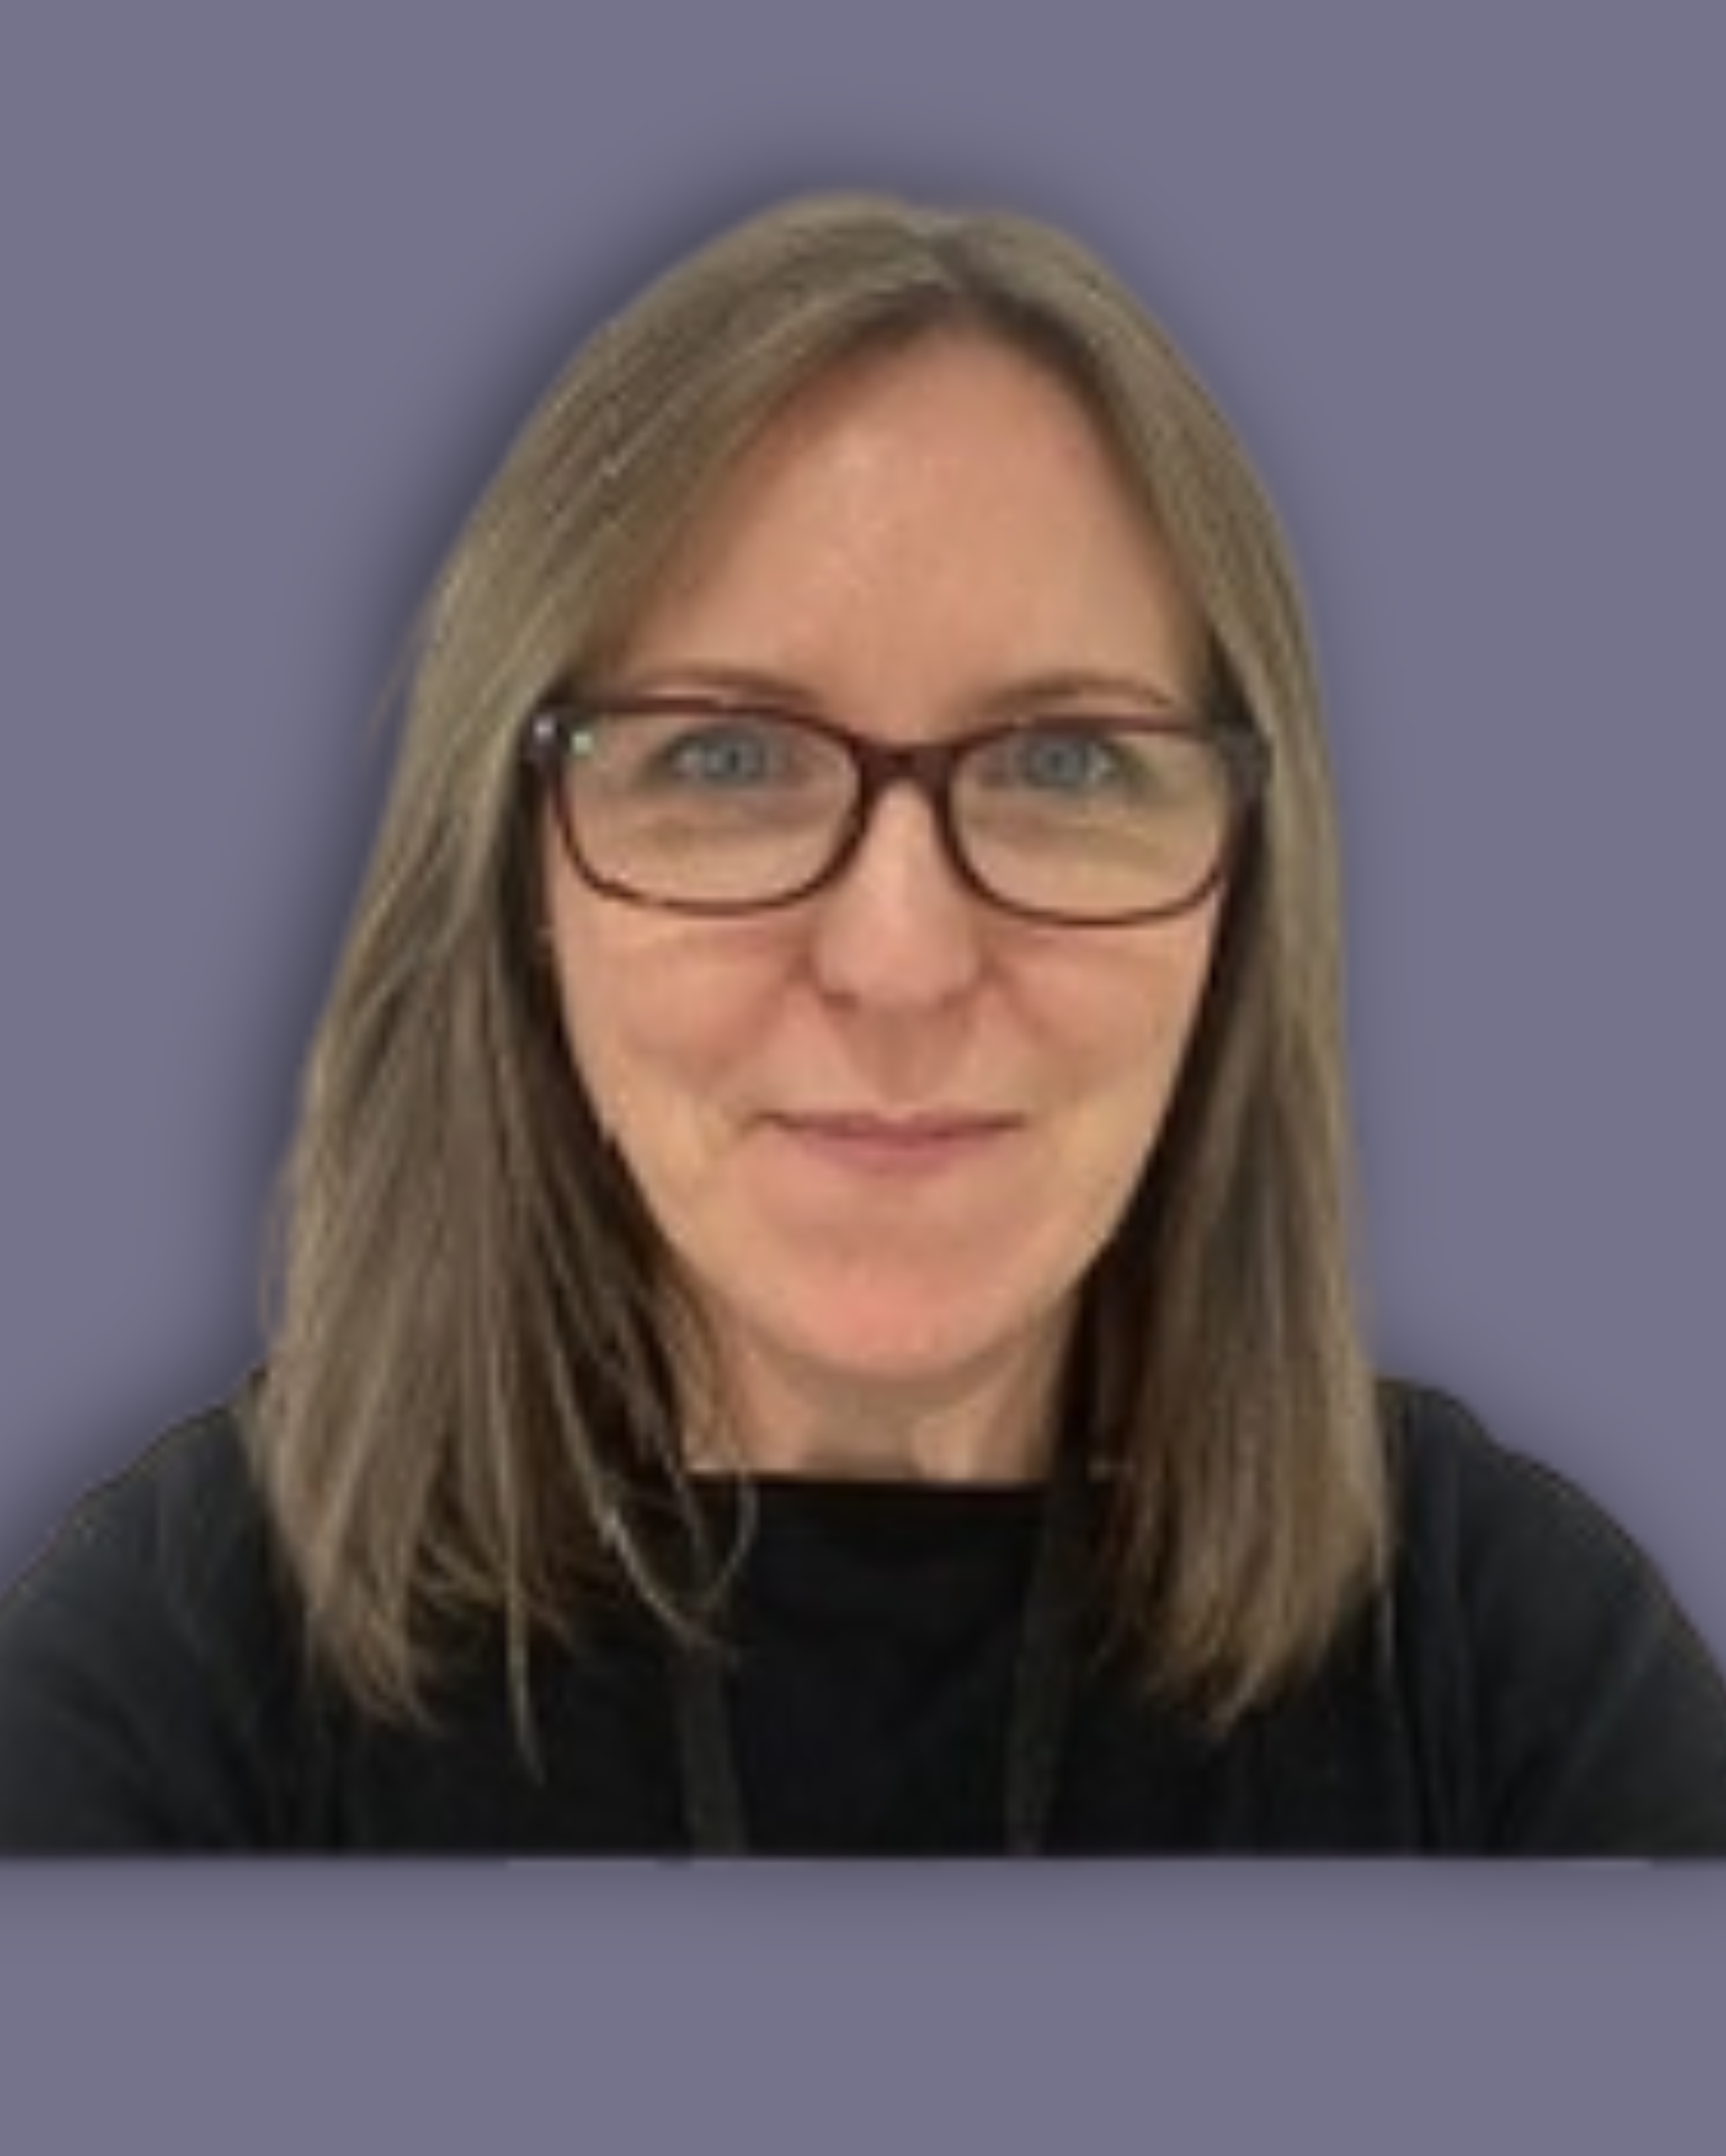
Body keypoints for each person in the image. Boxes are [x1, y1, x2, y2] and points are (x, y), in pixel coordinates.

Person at [3, 193, 1723, 1855]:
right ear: (517, 885)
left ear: (1243, 905)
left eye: (1064, 763)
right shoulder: (185, 1670)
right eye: (725, 758)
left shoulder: (1505, 1668)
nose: (897, 960)